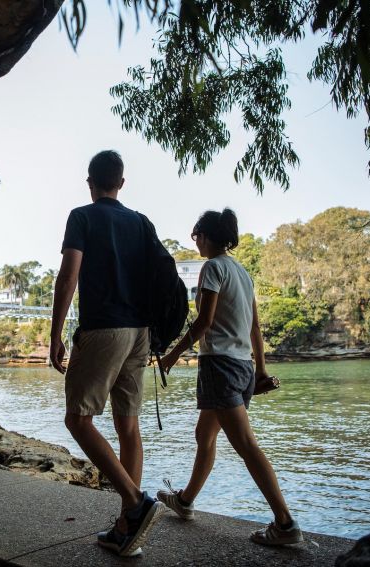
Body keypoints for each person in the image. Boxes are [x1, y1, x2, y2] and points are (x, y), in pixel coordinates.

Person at [156, 208, 304, 546]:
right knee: (204, 434)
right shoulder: (242, 272)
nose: (196, 245)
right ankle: (185, 501)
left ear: (205, 236)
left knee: (247, 446)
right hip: (243, 367)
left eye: (196, 238)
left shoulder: (213, 268)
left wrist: (171, 356)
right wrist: (262, 370)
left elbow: (204, 322)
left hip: (219, 367)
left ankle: (285, 524)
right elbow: (254, 325)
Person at [50, 150, 164, 557]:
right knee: (128, 426)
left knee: (78, 419)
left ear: (90, 182)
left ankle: (135, 505)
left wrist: (55, 333)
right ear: (121, 182)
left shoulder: (82, 216)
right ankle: (125, 530)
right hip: (141, 333)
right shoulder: (140, 222)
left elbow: (68, 276)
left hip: (104, 328)